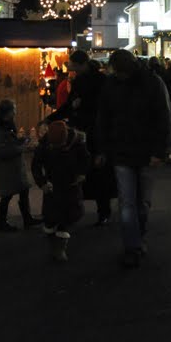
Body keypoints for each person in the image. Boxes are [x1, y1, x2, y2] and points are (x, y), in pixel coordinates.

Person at [95, 49, 171, 268]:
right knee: (128, 203)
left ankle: (139, 236)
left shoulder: (152, 83)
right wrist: (102, 148)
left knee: (141, 204)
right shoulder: (112, 85)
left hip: (146, 152)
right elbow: (103, 118)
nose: (117, 75)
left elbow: (164, 118)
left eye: (119, 71)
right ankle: (133, 246)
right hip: (122, 152)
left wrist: (159, 152)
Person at [31, 121, 90, 263]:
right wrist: (43, 183)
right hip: (52, 185)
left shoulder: (77, 142)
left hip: (71, 184)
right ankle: (53, 242)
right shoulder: (44, 144)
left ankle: (60, 249)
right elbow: (36, 165)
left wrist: (82, 173)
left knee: (68, 216)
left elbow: (85, 159)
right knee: (50, 218)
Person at [67, 50, 115, 226]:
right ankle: (102, 210)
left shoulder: (94, 81)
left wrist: (75, 107)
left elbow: (100, 106)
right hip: (90, 131)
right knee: (94, 172)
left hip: (93, 132)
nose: (67, 65)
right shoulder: (88, 80)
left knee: (93, 171)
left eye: (70, 62)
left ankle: (99, 210)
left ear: (78, 63)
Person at [0, 99, 41, 232]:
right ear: (8, 112)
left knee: (24, 189)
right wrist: (21, 148)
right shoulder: (0, 129)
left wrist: (21, 140)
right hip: (6, 169)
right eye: (14, 110)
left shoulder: (6, 125)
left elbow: (9, 142)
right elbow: (0, 150)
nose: (15, 112)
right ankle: (2, 223)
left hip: (12, 167)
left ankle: (27, 218)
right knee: (7, 195)